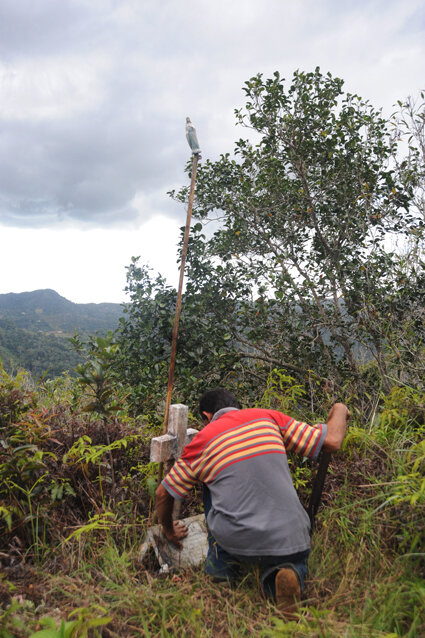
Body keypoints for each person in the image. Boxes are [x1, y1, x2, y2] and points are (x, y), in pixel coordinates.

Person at [155, 388, 350, 617]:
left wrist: (168, 530)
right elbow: (333, 441)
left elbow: (163, 493)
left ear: (207, 416)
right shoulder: (269, 417)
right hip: (291, 533)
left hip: (237, 537)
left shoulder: (203, 440)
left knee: (208, 479)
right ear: (237, 405)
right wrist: (338, 408)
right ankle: (286, 573)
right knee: (288, 558)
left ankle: (221, 570)